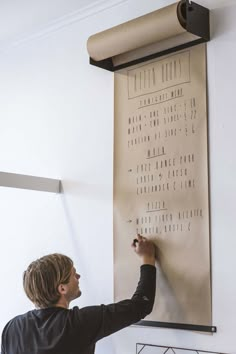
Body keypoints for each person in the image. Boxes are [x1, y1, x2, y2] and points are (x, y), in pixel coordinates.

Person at [1, 234, 156, 354]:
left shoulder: (12, 327)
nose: (78, 277)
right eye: (74, 274)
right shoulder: (79, 323)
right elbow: (141, 305)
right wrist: (147, 258)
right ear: (62, 289)